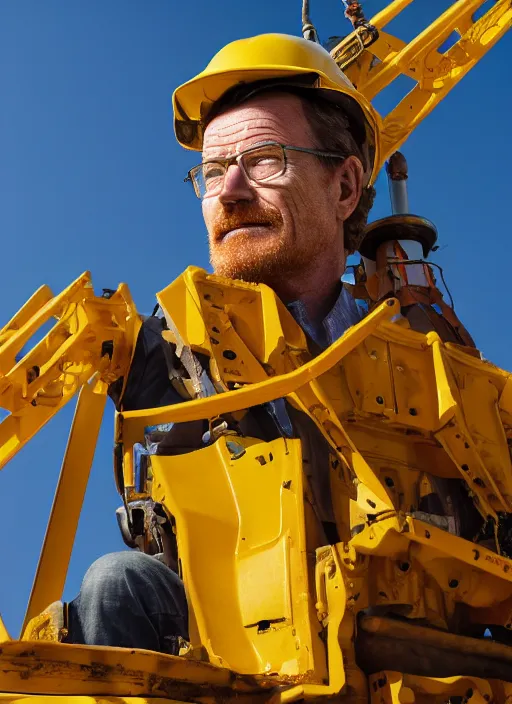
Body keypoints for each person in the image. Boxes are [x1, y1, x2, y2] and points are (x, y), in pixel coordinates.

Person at [65, 33, 381, 653]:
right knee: (117, 584)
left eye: (265, 160)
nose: (229, 192)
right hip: (227, 639)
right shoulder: (159, 342)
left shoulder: (423, 361)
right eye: (212, 172)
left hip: (412, 643)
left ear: (345, 188)